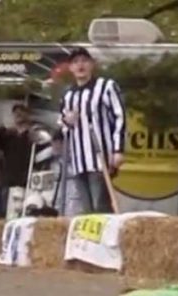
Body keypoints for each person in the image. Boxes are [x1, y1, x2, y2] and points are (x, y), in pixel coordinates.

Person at [59, 47, 126, 214]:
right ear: (71, 68)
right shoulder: (68, 95)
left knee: (100, 206)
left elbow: (120, 116)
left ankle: (108, 238)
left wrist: (118, 150)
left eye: (84, 61)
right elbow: (63, 126)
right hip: (79, 161)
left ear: (92, 64)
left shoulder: (106, 87)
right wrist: (67, 122)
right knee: (87, 210)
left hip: (100, 158)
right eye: (75, 62)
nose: (80, 65)